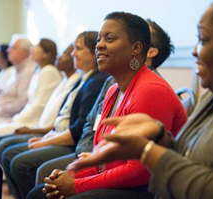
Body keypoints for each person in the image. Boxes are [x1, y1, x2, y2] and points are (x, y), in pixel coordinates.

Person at [67, 1, 213, 199]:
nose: (194, 51)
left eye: (203, 40)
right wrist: (160, 135)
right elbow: (187, 155)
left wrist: (147, 150)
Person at [41, 12, 187, 199]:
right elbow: (102, 156)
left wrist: (77, 185)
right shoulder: (113, 90)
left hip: (148, 189)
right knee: (43, 191)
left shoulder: (150, 90)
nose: (99, 45)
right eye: (99, 39)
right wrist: (71, 175)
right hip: (118, 180)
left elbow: (140, 171)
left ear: (136, 48)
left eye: (109, 39)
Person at [0, 31, 108, 199]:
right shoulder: (85, 79)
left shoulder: (97, 81)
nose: (72, 53)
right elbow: (65, 119)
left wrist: (46, 139)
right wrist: (45, 136)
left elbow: (79, 129)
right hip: (70, 139)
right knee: (7, 147)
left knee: (19, 160)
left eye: (77, 49)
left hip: (76, 145)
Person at [0, 44, 82, 161]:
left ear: (46, 54)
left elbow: (41, 106)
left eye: (65, 54)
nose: (59, 57)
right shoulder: (64, 78)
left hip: (41, 125)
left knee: (2, 140)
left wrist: (31, 128)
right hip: (45, 127)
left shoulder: (51, 72)